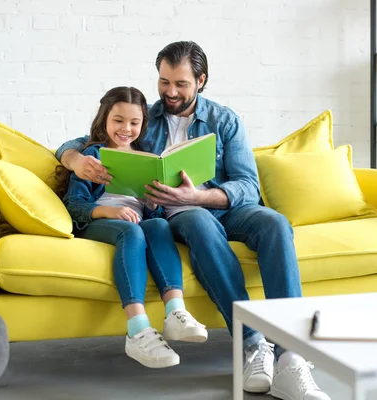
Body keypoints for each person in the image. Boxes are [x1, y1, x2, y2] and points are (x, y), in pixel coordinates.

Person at [55, 42, 330, 400]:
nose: (170, 92)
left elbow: (247, 184)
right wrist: (73, 159)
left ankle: (291, 356)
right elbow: (88, 140)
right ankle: (251, 344)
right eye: (164, 82)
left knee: (274, 223)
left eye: (180, 84)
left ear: (201, 81)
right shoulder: (145, 117)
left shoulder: (224, 120)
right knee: (198, 221)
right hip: (181, 215)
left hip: (224, 207)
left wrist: (199, 195)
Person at [55, 86, 208, 370]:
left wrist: (151, 203)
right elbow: (74, 205)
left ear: (143, 124)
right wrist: (109, 211)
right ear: (104, 119)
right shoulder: (93, 155)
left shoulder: (145, 156)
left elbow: (155, 212)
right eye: (118, 120)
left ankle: (176, 312)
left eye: (134, 122)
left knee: (159, 224)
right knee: (132, 231)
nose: (126, 128)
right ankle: (137, 329)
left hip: (136, 219)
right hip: (100, 221)